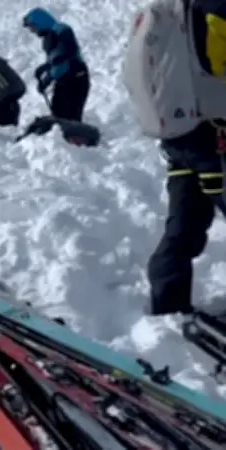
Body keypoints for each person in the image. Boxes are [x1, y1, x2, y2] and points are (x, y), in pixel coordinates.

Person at [122, 0, 226, 315]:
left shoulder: (168, 12)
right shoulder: (216, 7)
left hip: (177, 138)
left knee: (184, 225)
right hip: (211, 136)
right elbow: (217, 62)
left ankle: (168, 304)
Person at [22, 7, 90, 122]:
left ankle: (78, 136)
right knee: (59, 113)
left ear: (40, 21)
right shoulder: (47, 40)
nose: (33, 31)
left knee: (71, 115)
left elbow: (70, 49)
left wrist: (50, 64)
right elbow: (55, 65)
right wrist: (46, 80)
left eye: (33, 27)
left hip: (77, 76)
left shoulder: (61, 29)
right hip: (64, 80)